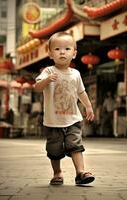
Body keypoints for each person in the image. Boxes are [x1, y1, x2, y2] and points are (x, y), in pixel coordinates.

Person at [34, 32, 95, 185]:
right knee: (54, 150)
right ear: (50, 53)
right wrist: (47, 80)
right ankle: (57, 173)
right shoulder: (48, 71)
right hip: (53, 121)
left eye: (67, 49)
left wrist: (88, 106)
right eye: (57, 49)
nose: (62, 52)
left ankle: (80, 173)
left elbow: (81, 92)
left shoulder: (76, 73)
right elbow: (37, 87)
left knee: (75, 144)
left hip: (73, 118)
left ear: (74, 54)